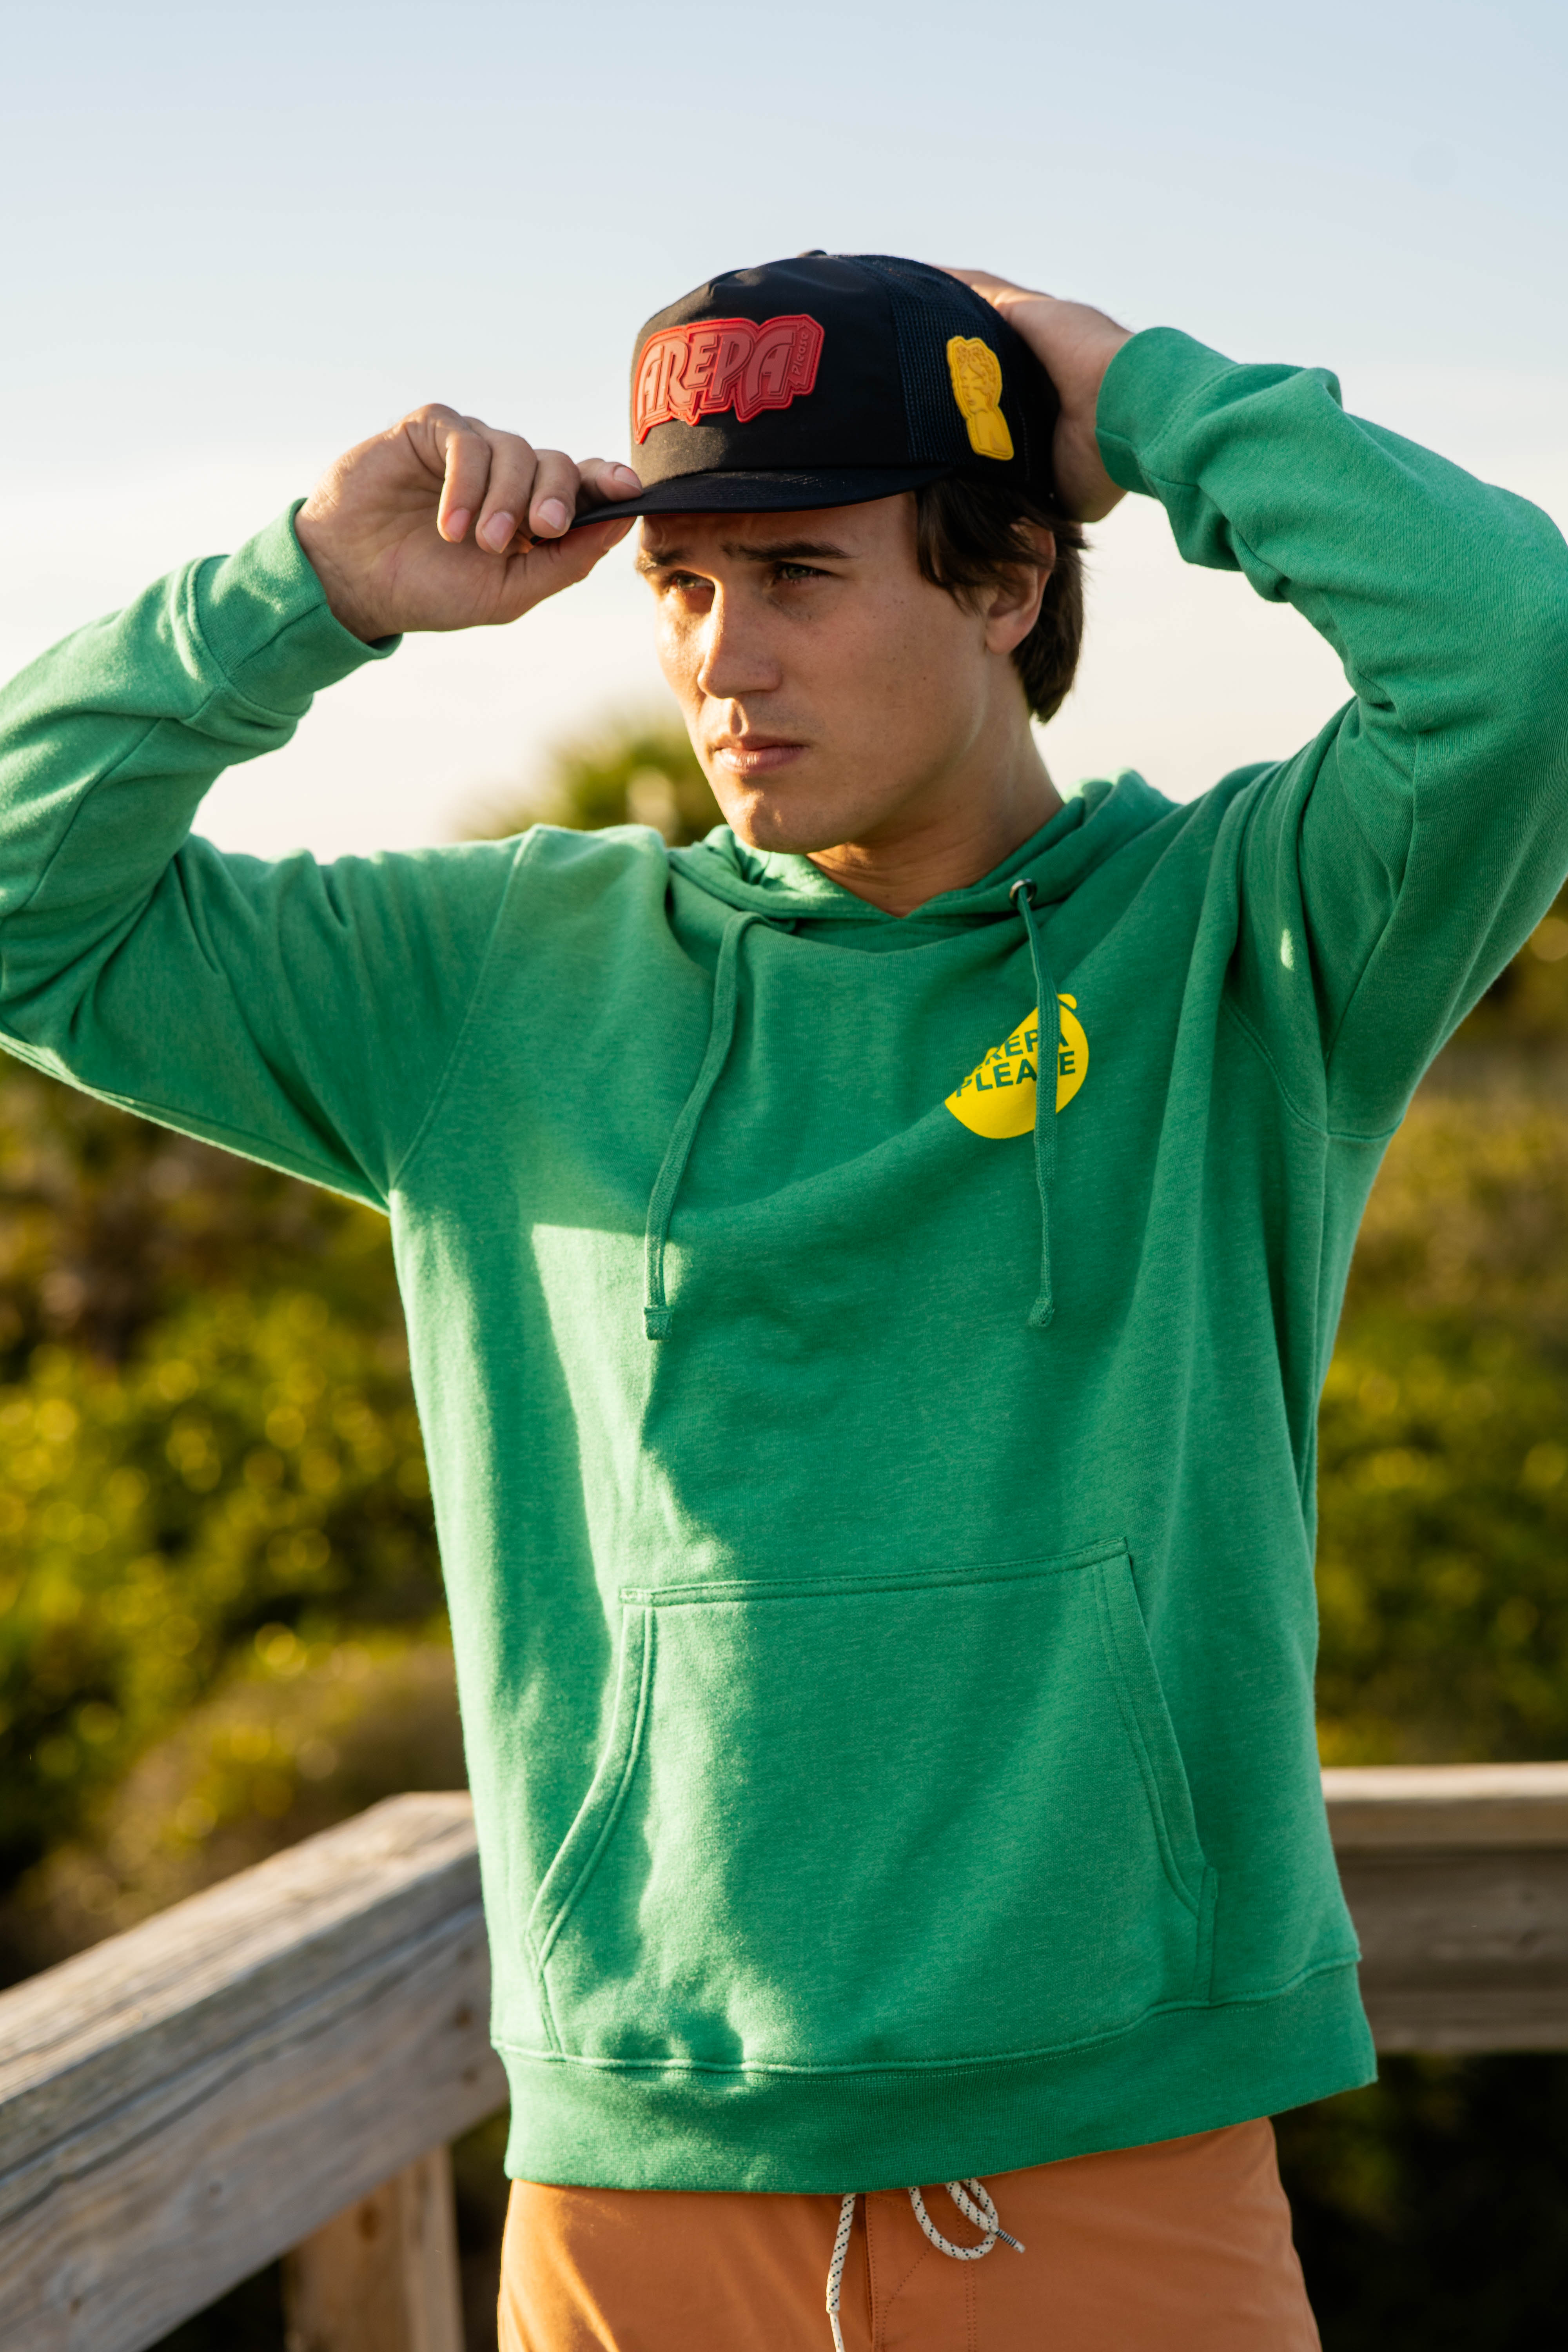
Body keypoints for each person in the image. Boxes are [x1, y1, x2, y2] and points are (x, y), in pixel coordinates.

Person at [2, 250, 1566, 2350]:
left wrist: (1147, 394)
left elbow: (1519, 654)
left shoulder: (1248, 939)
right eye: (681, 584)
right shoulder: (492, 983)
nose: (723, 660)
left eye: (802, 575)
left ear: (1005, 580)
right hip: (640, 2194)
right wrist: (308, 585)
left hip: (1118, 2171)